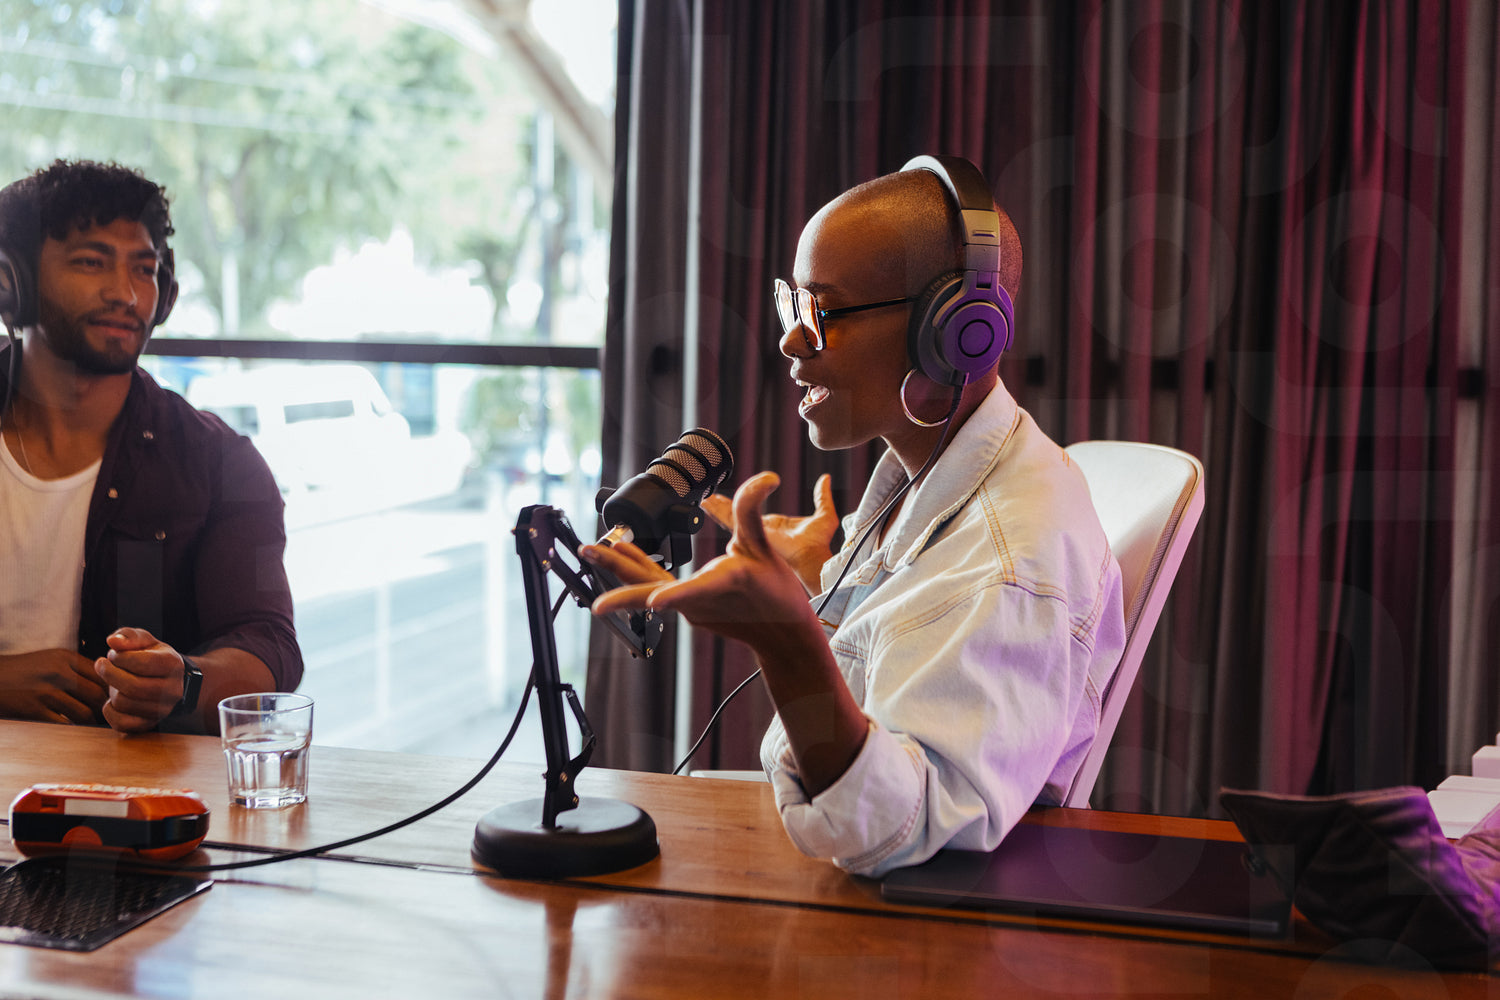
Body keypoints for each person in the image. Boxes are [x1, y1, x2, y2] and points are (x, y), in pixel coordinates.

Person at [583, 156, 1126, 877]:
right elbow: (895, 680)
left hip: (929, 923)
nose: (790, 340)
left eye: (822, 313)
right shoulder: (931, 478)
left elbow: (894, 828)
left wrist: (786, 638)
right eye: (793, 306)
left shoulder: (1008, 564)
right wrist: (820, 588)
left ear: (956, 330)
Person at [0, 159, 302, 734]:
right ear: (11, 283)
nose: (126, 293)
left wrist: (185, 682)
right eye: (91, 262)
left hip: (129, 788)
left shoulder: (221, 465)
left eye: (144, 269)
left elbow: (270, 648)